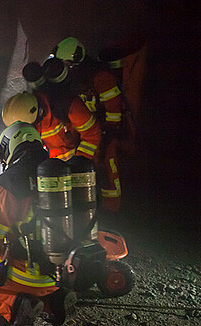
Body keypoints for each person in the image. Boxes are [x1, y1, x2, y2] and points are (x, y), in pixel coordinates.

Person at [0, 121, 76, 326]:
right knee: (40, 278)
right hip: (59, 274)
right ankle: (54, 301)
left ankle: (17, 304)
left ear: (9, 147)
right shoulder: (57, 174)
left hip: (27, 274)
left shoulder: (10, 182)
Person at [49, 37, 130, 212]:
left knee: (108, 168)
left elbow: (114, 112)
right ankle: (91, 207)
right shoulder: (74, 80)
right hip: (88, 133)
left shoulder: (101, 78)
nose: (63, 68)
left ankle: (112, 210)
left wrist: (108, 137)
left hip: (108, 133)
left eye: (65, 63)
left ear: (74, 62)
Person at [2, 87, 101, 162]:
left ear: (39, 112)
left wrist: (79, 163)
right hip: (56, 172)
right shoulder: (31, 124)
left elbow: (92, 135)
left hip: (87, 163)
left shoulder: (67, 106)